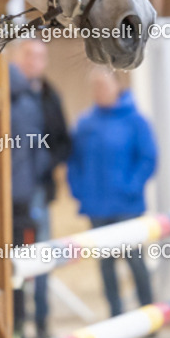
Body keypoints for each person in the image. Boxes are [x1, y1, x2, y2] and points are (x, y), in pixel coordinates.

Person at [67, 67, 158, 317]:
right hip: (97, 207)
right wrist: (79, 191)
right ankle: (115, 314)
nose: (100, 91)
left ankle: (148, 311)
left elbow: (148, 158)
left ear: (117, 85)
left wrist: (131, 186)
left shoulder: (136, 120)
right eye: (95, 86)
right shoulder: (85, 123)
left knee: (135, 261)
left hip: (127, 206)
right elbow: (74, 161)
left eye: (104, 85)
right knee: (105, 265)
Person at [10, 38, 70, 338]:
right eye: (30, 55)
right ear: (18, 57)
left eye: (40, 57)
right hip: (11, 194)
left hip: (39, 190)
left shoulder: (49, 96)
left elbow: (62, 139)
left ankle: (42, 322)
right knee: (16, 262)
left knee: (43, 257)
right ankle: (17, 326)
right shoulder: (6, 96)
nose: (35, 62)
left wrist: (45, 163)